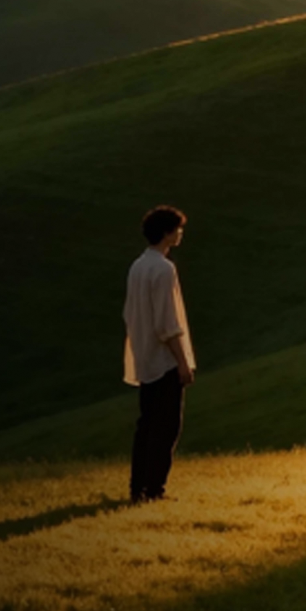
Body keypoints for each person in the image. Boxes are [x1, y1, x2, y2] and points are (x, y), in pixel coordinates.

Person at [123, 205, 196, 503]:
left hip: (144, 357)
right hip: (164, 360)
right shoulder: (164, 269)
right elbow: (168, 323)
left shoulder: (138, 266)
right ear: (167, 232)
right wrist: (182, 362)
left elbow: (131, 313)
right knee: (167, 428)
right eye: (177, 228)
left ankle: (137, 486)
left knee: (146, 426)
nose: (180, 233)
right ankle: (155, 488)